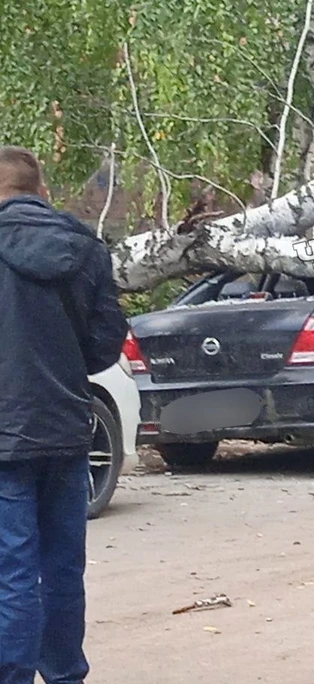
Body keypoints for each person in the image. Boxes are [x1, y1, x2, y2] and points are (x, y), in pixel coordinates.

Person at [0, 146, 127, 683]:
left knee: (12, 572)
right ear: (41, 191)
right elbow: (105, 346)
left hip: (4, 437)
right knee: (63, 569)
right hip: (70, 431)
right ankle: (65, 674)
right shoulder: (85, 247)